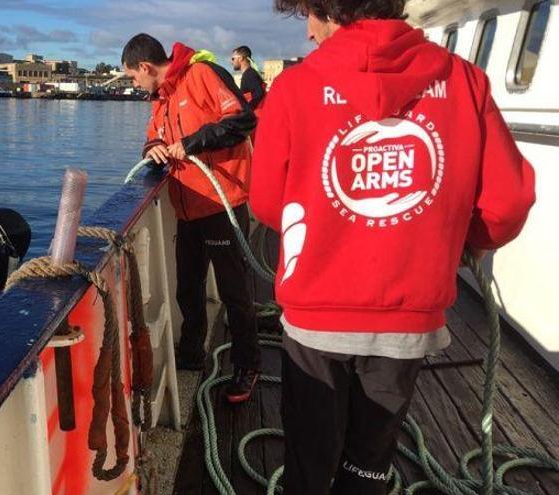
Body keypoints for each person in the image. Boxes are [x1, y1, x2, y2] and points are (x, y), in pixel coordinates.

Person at [249, 1, 535, 493]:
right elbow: (509, 202)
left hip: (317, 318)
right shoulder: (465, 81)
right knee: (369, 464)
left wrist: (326, 228)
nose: (311, 35)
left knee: (308, 463)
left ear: (328, 10)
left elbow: (268, 204)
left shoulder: (294, 87)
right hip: (408, 319)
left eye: (310, 19)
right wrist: (470, 244)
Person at [122, 33, 261, 402]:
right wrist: (153, 149)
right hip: (186, 208)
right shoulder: (162, 99)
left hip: (220, 204)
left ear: (146, 67)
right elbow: (153, 137)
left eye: (134, 78)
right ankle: (191, 354)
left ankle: (248, 364)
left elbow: (241, 120)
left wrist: (193, 143)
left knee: (235, 291)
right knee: (188, 286)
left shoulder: (202, 75)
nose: (136, 86)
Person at [231, 45, 266, 111]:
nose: (231, 62)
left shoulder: (250, 75)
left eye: (233, 59)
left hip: (256, 116)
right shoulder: (249, 73)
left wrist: (248, 111)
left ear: (240, 58)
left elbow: (259, 94)